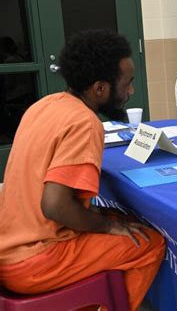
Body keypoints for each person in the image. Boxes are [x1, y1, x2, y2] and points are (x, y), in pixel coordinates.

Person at [0, 29, 165, 310]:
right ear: (100, 88)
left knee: (120, 218)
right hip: (32, 261)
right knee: (149, 243)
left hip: (7, 248)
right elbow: (54, 205)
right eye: (127, 84)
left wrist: (103, 218)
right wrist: (107, 225)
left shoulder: (43, 105)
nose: (131, 92)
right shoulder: (85, 122)